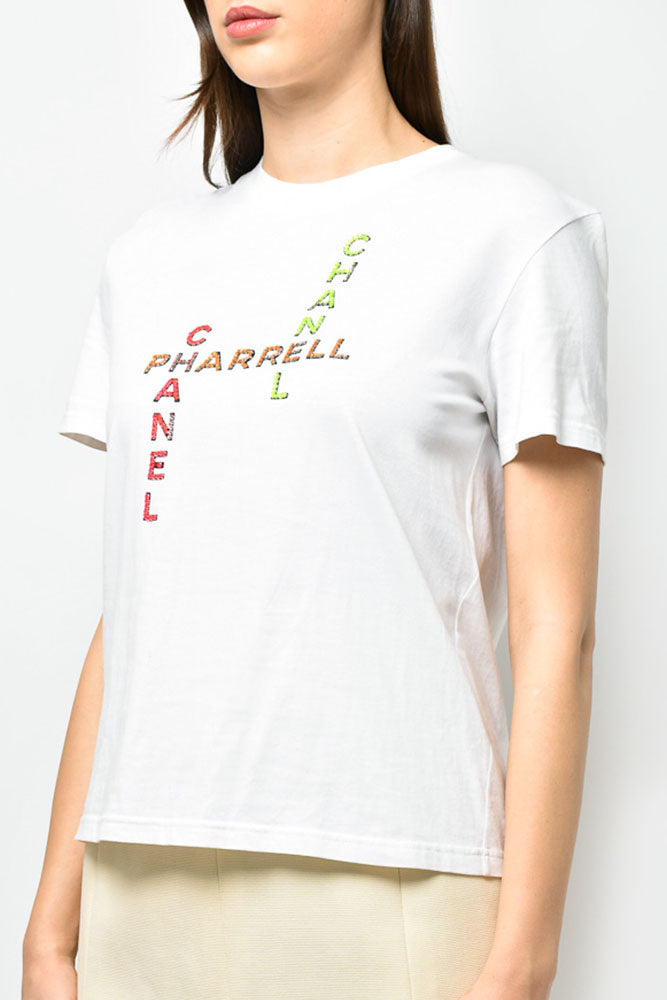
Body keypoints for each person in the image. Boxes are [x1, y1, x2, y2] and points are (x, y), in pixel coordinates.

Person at [22, 2, 608, 999]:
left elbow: (559, 629)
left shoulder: (511, 229)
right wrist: (50, 930)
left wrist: (520, 962)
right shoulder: (149, 257)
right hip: (137, 884)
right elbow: (137, 607)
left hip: (391, 877)